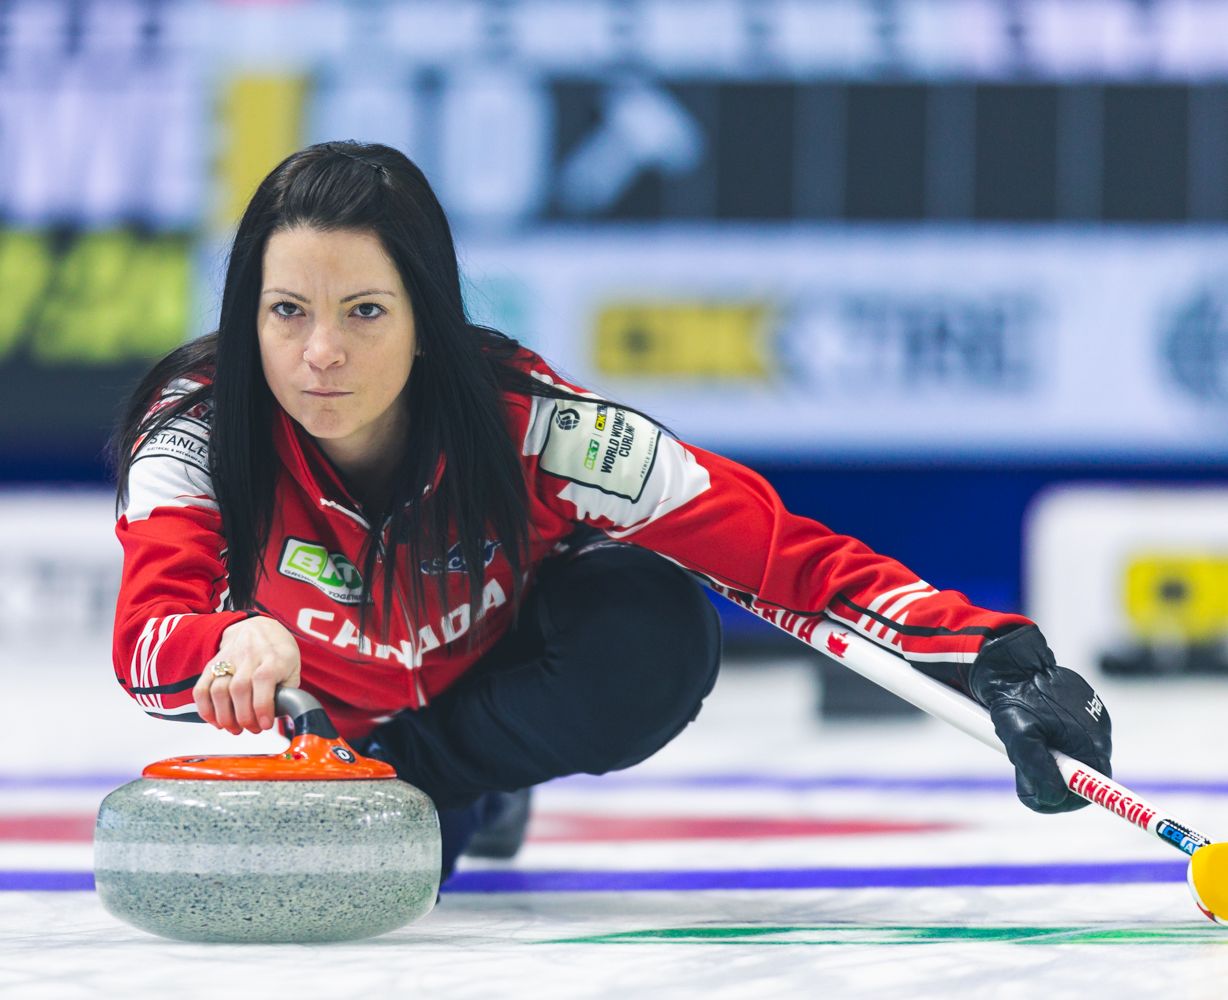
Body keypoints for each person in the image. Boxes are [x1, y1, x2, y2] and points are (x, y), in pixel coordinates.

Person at [112, 142, 1112, 879]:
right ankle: (434, 797)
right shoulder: (193, 437)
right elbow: (146, 639)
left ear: (427, 321)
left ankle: (448, 779)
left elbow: (777, 556)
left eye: (364, 311)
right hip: (333, 724)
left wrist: (991, 654)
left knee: (657, 632)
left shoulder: (539, 429)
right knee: (406, 868)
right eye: (287, 311)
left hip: (482, 688)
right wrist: (228, 641)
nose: (319, 353)